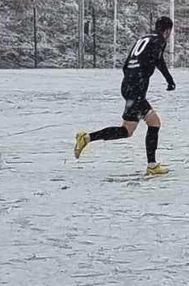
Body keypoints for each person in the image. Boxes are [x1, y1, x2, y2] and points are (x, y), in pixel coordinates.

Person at [73, 16, 176, 176]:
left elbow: (126, 64)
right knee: (154, 123)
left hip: (128, 86)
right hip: (136, 90)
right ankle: (152, 165)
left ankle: (86, 138)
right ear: (167, 30)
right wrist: (169, 81)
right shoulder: (160, 40)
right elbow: (159, 61)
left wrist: (131, 80)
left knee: (126, 130)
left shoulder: (144, 38)